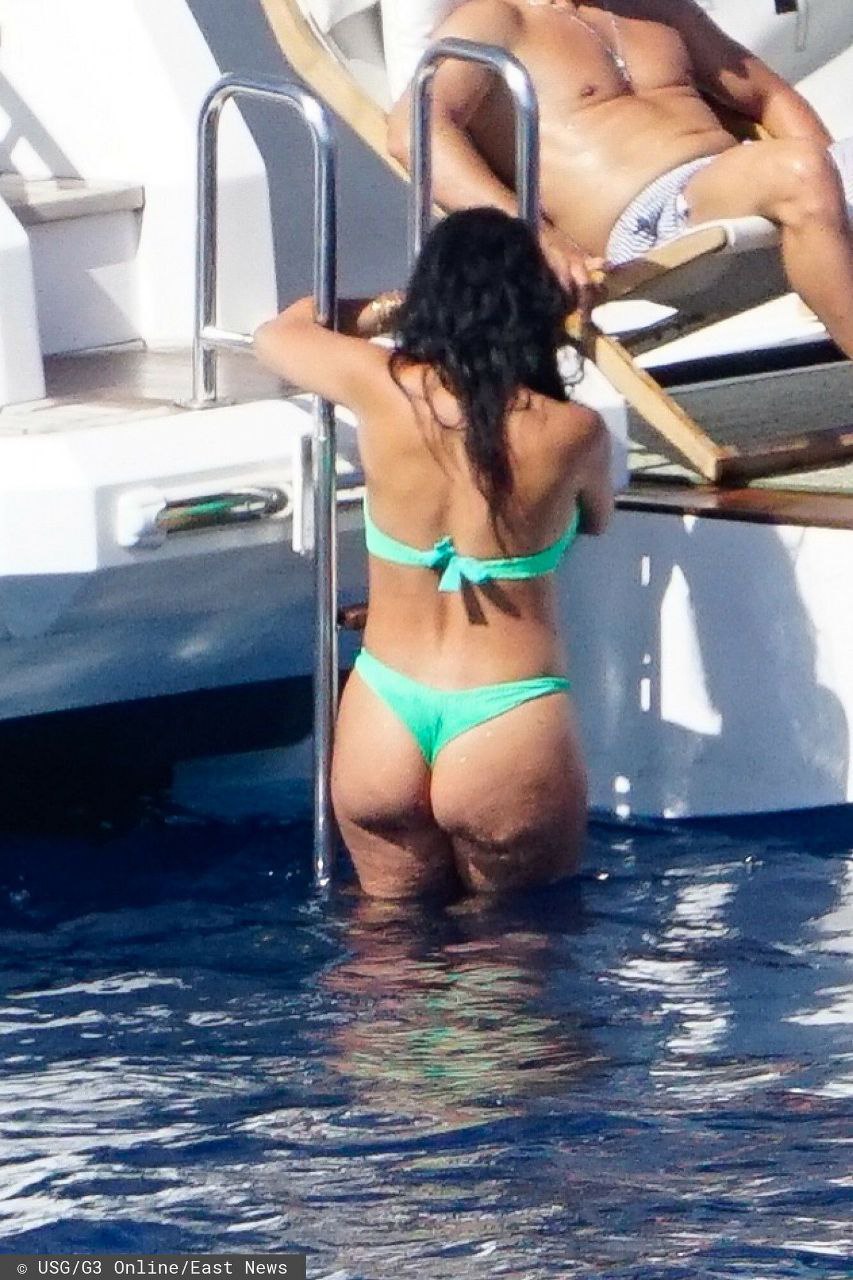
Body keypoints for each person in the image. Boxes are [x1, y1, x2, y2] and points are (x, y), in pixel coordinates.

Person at [254, 208, 612, 901]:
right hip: (505, 719)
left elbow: (280, 331)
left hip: (383, 712)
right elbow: (595, 520)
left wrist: (400, 305)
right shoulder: (573, 432)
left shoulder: (384, 386)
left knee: (383, 953)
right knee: (515, 950)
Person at [387, 0, 853, 356]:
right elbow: (415, 132)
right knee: (799, 169)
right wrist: (532, 233)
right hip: (650, 223)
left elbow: (767, 95)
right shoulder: (496, 21)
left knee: (805, 168)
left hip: (735, 187)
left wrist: (837, 188)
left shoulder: (658, 9)